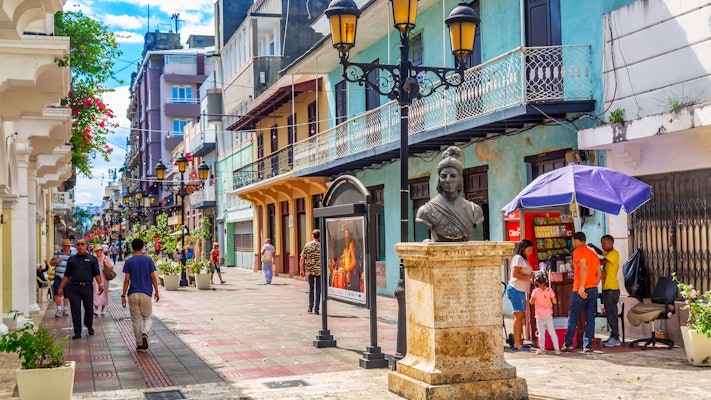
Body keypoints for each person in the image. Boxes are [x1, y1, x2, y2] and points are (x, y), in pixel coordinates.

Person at [415, 146, 484, 242]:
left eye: (453, 176)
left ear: (460, 179)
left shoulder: (474, 210)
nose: (448, 180)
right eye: (443, 176)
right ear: (439, 179)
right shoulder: (426, 211)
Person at [562, 231, 601, 353]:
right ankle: (587, 345)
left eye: (573, 241)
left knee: (573, 316)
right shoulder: (593, 254)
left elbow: (583, 267)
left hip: (580, 289)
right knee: (590, 317)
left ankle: (568, 344)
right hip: (593, 288)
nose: (573, 243)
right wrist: (594, 284)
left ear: (576, 240)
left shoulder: (578, 251)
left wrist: (582, 287)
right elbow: (599, 273)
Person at [57, 238, 103, 339]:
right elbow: (66, 275)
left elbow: (97, 273)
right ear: (76, 246)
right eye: (78, 244)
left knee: (89, 308)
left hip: (87, 287)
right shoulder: (72, 259)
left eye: (82, 244)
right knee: (75, 309)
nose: (80, 246)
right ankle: (77, 331)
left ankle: (89, 325)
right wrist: (61, 287)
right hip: (74, 287)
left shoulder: (92, 259)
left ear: (86, 246)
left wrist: (100, 285)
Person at [121, 238, 160, 351]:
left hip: (133, 293)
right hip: (146, 292)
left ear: (132, 248)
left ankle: (139, 343)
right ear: (143, 246)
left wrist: (123, 296)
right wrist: (157, 291)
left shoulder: (129, 261)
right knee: (147, 316)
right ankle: (145, 333)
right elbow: (153, 277)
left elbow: (126, 280)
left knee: (136, 319)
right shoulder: (148, 260)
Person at [588, 234, 621, 347]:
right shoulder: (607, 252)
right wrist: (593, 247)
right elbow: (601, 253)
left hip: (612, 289)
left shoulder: (613, 254)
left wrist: (589, 258)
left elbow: (601, 262)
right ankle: (613, 336)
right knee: (609, 313)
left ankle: (616, 337)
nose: (602, 245)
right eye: (601, 243)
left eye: (604, 243)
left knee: (612, 314)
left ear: (611, 243)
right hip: (607, 289)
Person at [506, 239, 534, 351]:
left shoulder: (524, 259)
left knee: (519, 316)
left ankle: (520, 341)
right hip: (516, 289)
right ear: (523, 249)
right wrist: (530, 278)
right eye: (529, 250)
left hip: (520, 290)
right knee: (519, 316)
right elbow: (515, 274)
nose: (530, 252)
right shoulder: (518, 258)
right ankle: (517, 343)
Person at [530, 271, 560, 354]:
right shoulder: (549, 290)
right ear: (546, 281)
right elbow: (554, 301)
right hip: (548, 313)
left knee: (541, 332)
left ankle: (542, 349)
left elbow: (531, 302)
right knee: (552, 331)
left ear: (536, 282)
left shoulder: (535, 291)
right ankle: (557, 349)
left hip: (539, 315)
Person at [50, 239, 74, 317]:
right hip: (58, 276)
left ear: (70, 246)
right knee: (57, 293)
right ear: (62, 246)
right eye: (65, 246)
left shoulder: (72, 255)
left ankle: (65, 310)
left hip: (68, 278)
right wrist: (55, 261)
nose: (66, 247)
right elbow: (51, 263)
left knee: (67, 294)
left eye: (68, 246)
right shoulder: (57, 253)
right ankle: (59, 309)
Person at [299, 229, 321, 314]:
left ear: (312, 236)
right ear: (319, 237)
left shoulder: (307, 245)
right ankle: (316, 309)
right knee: (318, 289)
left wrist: (301, 270)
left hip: (310, 270)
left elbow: (302, 258)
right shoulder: (321, 246)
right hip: (319, 270)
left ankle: (310, 307)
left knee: (311, 288)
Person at [92, 245, 114, 316]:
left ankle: (103, 309)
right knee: (96, 292)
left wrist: (106, 265)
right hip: (95, 278)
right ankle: (96, 309)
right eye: (96, 251)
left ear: (101, 250)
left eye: (99, 250)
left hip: (104, 278)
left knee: (104, 293)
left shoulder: (106, 258)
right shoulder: (94, 259)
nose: (98, 252)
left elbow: (111, 267)